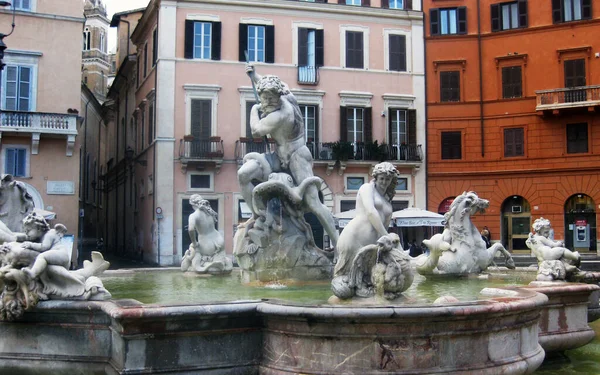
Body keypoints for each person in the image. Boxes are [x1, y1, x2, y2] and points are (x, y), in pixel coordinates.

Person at [237, 64, 339, 248]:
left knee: (314, 203)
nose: (266, 102)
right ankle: (257, 214)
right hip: (277, 156)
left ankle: (338, 244)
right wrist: (254, 76)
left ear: (278, 96)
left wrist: (254, 109)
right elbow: (265, 83)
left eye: (270, 98)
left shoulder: (282, 114)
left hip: (296, 157)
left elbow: (256, 130)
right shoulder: (283, 90)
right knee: (243, 174)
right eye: (263, 97)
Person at [334, 162, 400, 278]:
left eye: (388, 179)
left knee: (367, 280)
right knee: (346, 278)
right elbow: (370, 212)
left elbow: (384, 226)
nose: (384, 182)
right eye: (382, 179)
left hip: (371, 245)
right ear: (376, 177)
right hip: (353, 239)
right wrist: (387, 236)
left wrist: (386, 242)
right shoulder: (367, 188)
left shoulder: (387, 200)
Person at [21, 213, 69, 279]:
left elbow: (44, 247)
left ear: (38, 228)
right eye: (25, 231)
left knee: (42, 256)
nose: (26, 233)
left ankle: (33, 273)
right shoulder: (41, 237)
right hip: (59, 256)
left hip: (61, 253)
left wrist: (31, 245)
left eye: (28, 230)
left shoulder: (49, 234)